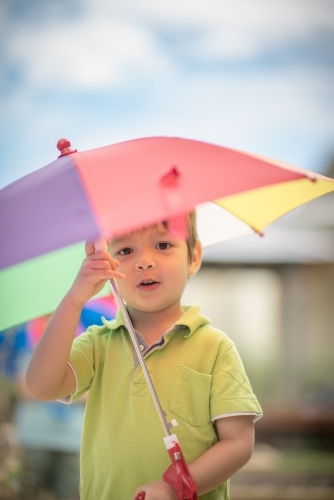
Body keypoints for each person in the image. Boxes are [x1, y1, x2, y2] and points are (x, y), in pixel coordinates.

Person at [25, 213, 262, 499]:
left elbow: (238, 444)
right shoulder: (98, 344)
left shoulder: (215, 348)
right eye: (125, 251)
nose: (144, 261)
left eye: (163, 245)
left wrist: (174, 488)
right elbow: (41, 386)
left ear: (194, 256)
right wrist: (75, 298)